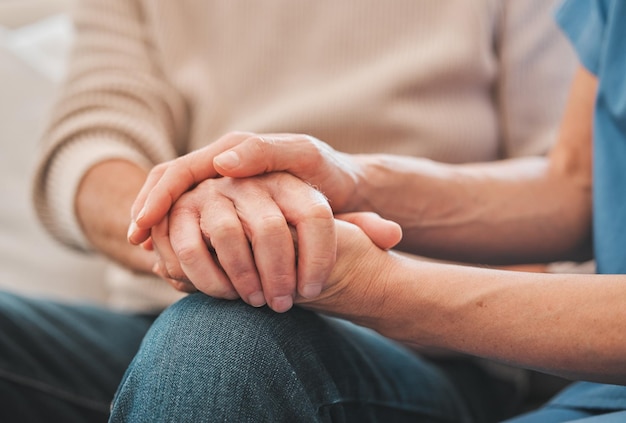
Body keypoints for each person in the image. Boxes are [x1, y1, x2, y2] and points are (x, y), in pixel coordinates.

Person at [2, 0, 575, 422]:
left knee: (222, 343)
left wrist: (340, 241)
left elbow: (567, 185)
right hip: (167, 317)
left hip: (421, 353)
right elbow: (92, 143)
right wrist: (191, 223)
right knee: (214, 336)